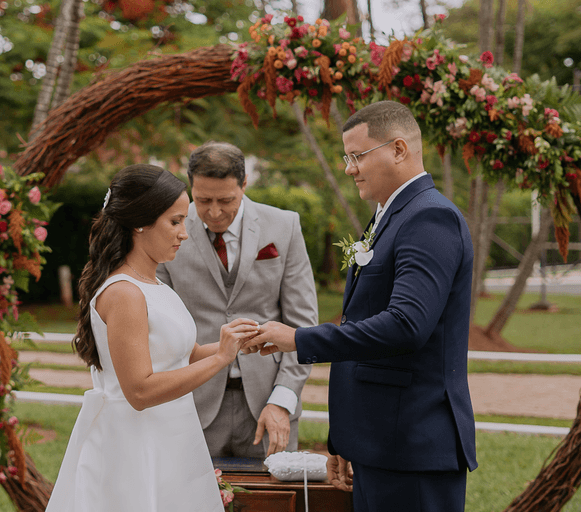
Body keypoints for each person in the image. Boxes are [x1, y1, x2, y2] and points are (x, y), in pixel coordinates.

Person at [244, 101, 478, 511]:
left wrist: (298, 338)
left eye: (357, 156)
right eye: (346, 158)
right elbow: (363, 322)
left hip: (412, 446)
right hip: (379, 442)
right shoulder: (390, 215)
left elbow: (406, 325)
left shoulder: (430, 218)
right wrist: (345, 440)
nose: (349, 169)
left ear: (399, 149)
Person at [45, 164, 258, 512]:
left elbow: (184, 356)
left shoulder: (156, 285)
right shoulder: (124, 293)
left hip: (172, 437)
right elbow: (140, 391)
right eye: (175, 221)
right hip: (135, 446)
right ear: (140, 223)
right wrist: (221, 358)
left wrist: (233, 342)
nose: (184, 234)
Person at [157, 142, 317, 458]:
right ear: (191, 186)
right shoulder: (168, 227)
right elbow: (159, 322)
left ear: (244, 184)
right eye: (203, 200)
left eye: (226, 200)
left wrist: (282, 400)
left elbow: (302, 325)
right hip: (191, 403)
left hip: (269, 405)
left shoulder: (284, 226)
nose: (214, 212)